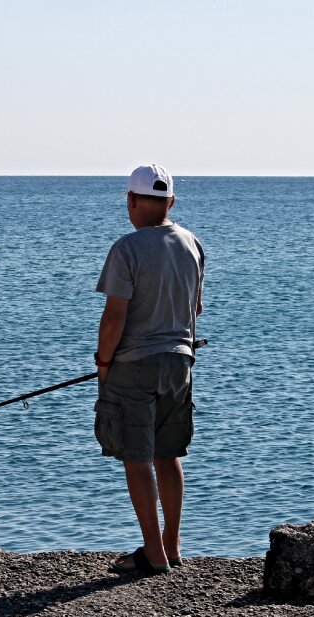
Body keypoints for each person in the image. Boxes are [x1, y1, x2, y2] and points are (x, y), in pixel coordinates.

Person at [94, 164, 205, 574]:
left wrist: (104, 362)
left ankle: (153, 555)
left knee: (137, 458)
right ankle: (172, 547)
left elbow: (114, 319)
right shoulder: (192, 243)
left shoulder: (127, 248)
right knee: (169, 453)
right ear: (170, 202)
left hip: (134, 366)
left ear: (132, 201)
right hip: (181, 362)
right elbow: (195, 308)